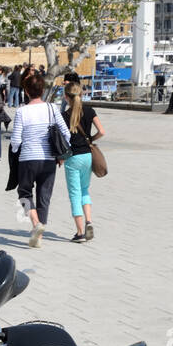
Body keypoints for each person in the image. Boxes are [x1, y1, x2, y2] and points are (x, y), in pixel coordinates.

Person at [6, 68, 71, 248]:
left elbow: (16, 140)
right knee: (44, 196)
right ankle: (39, 236)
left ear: (26, 91)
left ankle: (36, 224)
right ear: (42, 90)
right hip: (49, 159)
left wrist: (15, 149)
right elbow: (66, 134)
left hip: (28, 158)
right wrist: (60, 153)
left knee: (24, 193)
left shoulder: (22, 111)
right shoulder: (52, 108)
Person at [61, 80, 104, 242]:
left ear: (66, 97)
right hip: (87, 155)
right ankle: (89, 221)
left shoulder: (65, 115)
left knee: (74, 193)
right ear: (81, 94)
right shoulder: (90, 110)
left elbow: (62, 139)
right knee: (85, 190)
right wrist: (91, 139)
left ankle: (79, 232)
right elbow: (102, 131)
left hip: (72, 157)